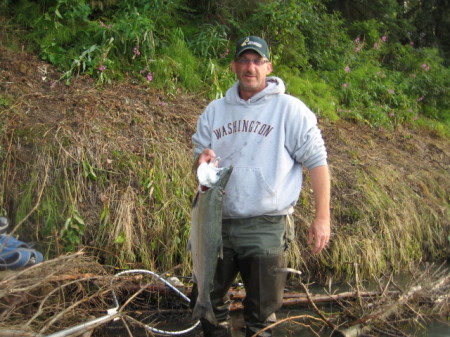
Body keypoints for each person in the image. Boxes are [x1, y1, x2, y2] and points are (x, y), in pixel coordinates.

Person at [191, 35, 331, 337]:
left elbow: (318, 162)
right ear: (234, 66)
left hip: (265, 226)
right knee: (208, 304)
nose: (250, 67)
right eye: (244, 60)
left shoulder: (290, 110)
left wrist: (322, 218)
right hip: (215, 223)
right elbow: (199, 166)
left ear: (268, 66)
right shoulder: (214, 111)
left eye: (257, 61)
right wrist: (201, 162)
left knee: (261, 313)